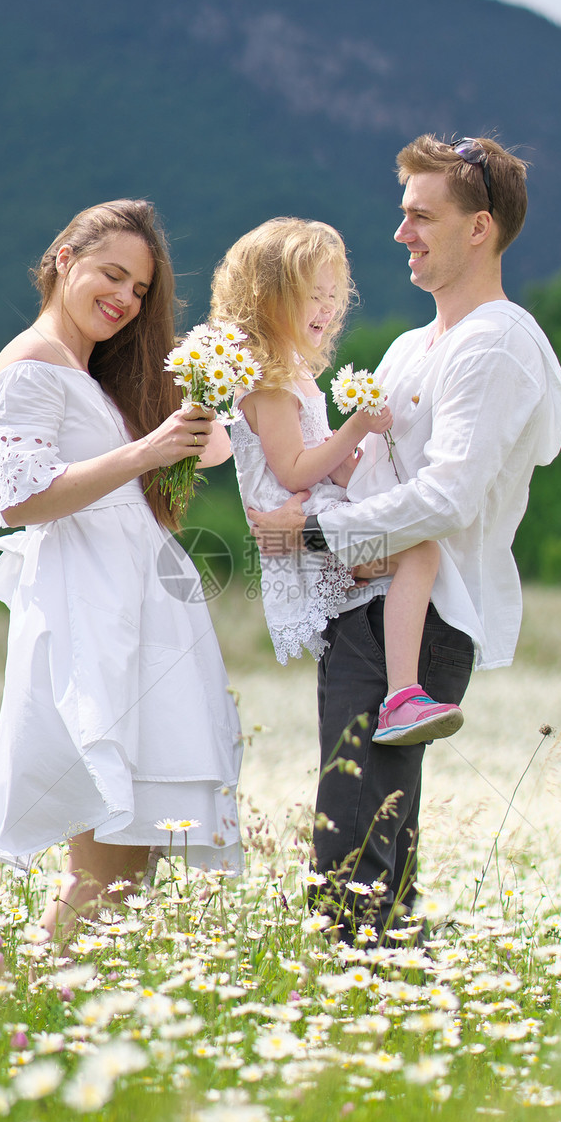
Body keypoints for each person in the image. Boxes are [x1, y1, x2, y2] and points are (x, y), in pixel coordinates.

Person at [247, 137, 561, 943]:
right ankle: (383, 1010)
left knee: (354, 841)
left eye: (422, 216)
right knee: (371, 840)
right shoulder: (408, 347)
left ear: (481, 228)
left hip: (422, 615)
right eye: (402, 215)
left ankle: (348, 1004)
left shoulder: (497, 344)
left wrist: (314, 533)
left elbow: (449, 497)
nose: (402, 234)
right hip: (370, 600)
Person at [0, 198, 243, 955]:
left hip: (138, 608)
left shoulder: (94, 374)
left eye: (139, 291)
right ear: (65, 256)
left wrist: (205, 384)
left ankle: (38, 996)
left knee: (133, 859)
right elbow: (22, 498)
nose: (124, 300)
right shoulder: (30, 364)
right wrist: (145, 452)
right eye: (112, 275)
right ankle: (11, 996)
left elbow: (216, 448)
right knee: (106, 853)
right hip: (91, 610)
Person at [212, 217, 464, 745]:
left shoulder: (293, 373)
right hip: (300, 522)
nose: (327, 309)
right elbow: (294, 470)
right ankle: (402, 696)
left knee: (410, 554)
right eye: (312, 296)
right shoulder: (268, 379)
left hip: (310, 516)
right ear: (268, 299)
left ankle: (401, 693)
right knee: (419, 554)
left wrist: (360, 470)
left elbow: (317, 460)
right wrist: (356, 429)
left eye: (333, 295)